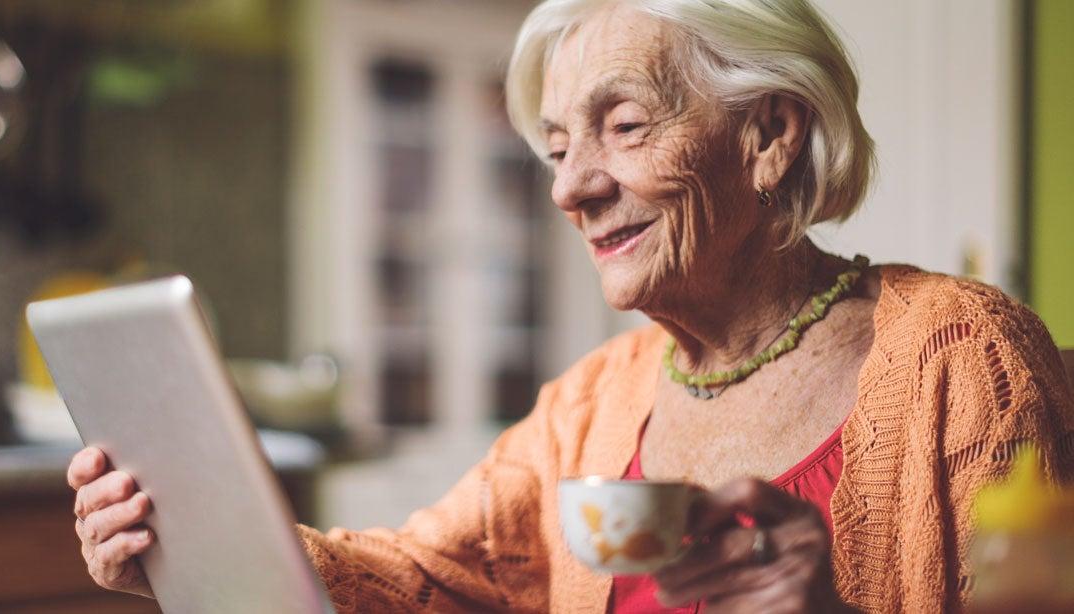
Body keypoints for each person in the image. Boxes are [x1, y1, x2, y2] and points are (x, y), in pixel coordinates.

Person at [65, 0, 1074, 611]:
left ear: (768, 133)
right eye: (556, 149)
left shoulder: (960, 359)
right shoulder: (589, 409)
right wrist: (183, 538)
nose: (569, 187)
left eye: (623, 125)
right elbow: (418, 578)